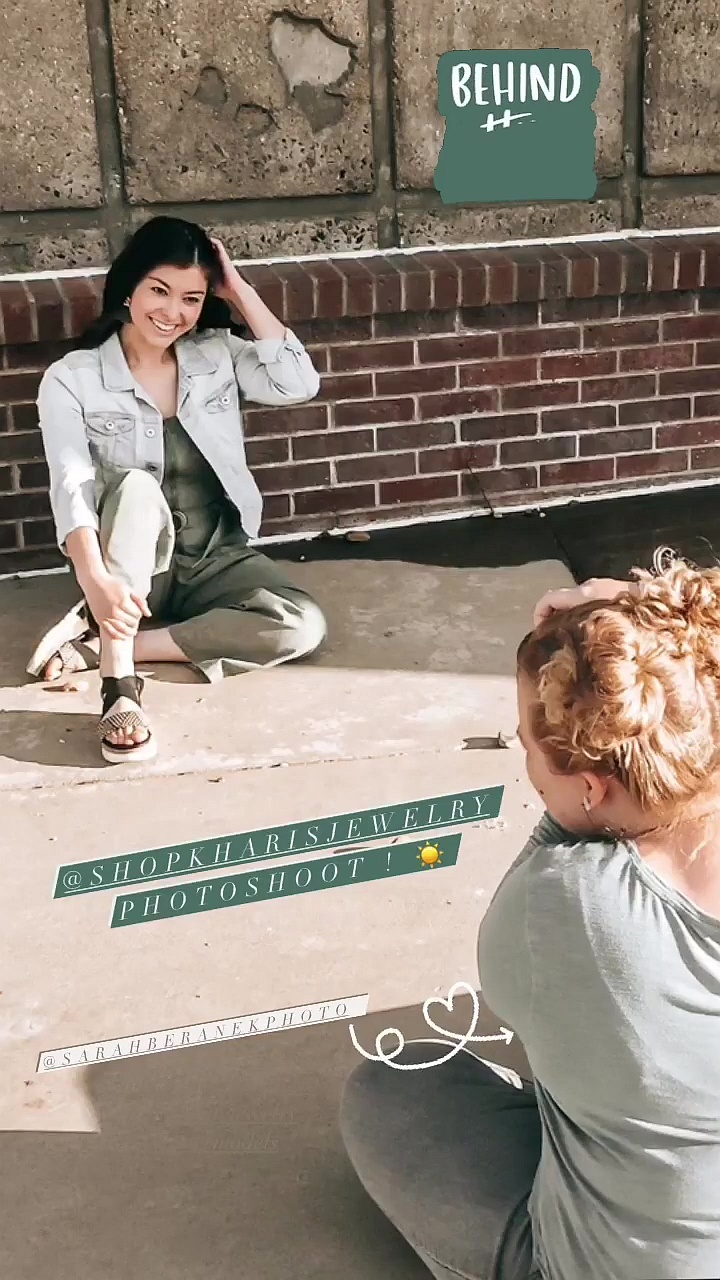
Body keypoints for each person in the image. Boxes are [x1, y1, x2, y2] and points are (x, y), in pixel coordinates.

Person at [340, 549, 720, 1280]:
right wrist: (657, 631)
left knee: (395, 1085)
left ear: (590, 787)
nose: (525, 761)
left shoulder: (569, 907)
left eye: (528, 749)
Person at [27, 216, 327, 764]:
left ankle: (109, 645)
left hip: (215, 553)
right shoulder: (73, 377)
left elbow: (298, 383)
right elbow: (70, 485)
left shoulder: (216, 354)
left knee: (301, 624)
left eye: (191, 298)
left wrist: (237, 290)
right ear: (130, 287)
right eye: (159, 291)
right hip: (134, 564)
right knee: (137, 487)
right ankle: (119, 685)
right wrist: (96, 581)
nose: (173, 313)